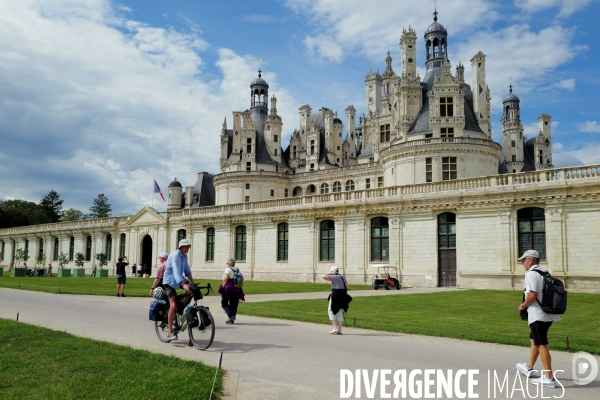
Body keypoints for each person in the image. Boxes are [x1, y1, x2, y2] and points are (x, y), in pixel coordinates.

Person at [516, 250, 561, 388]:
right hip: (549, 313)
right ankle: (529, 366)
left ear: (530, 260)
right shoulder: (544, 272)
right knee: (534, 339)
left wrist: (523, 306)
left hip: (538, 315)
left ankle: (549, 378)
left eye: (523, 260)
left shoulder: (531, 274)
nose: (522, 263)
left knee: (541, 344)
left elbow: (532, 295)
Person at [163, 239, 196, 341]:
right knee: (173, 305)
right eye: (186, 246)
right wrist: (183, 284)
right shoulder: (175, 255)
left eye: (189, 246)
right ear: (181, 247)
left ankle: (181, 312)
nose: (188, 248)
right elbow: (176, 272)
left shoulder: (184, 256)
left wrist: (193, 284)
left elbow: (187, 270)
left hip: (178, 280)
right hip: (169, 282)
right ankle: (169, 332)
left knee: (193, 292)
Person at [322, 266, 350, 335]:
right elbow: (347, 287)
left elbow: (323, 276)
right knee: (339, 311)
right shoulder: (342, 276)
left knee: (330, 310)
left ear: (333, 271)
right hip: (343, 295)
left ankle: (335, 328)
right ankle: (340, 330)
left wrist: (330, 273)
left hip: (336, 294)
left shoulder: (334, 277)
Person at [221, 258, 244, 324]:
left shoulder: (228, 269)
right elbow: (242, 278)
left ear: (229, 264)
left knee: (224, 303)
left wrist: (222, 286)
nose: (227, 264)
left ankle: (231, 316)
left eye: (227, 263)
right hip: (237, 289)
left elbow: (225, 279)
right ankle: (232, 319)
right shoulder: (237, 270)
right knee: (234, 304)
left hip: (228, 288)